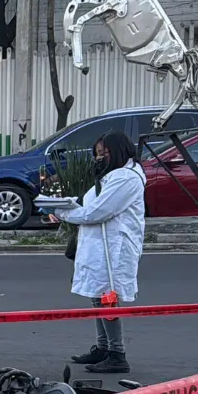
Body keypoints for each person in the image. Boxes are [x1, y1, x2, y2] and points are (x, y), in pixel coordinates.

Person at [53, 130, 146, 374]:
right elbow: (89, 204)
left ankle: (117, 353)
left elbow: (97, 212)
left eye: (105, 153)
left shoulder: (126, 177)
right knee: (98, 295)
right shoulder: (111, 176)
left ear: (119, 151)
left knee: (108, 298)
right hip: (100, 246)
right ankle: (103, 347)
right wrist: (63, 204)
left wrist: (63, 213)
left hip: (113, 247)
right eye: (97, 154)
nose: (100, 158)